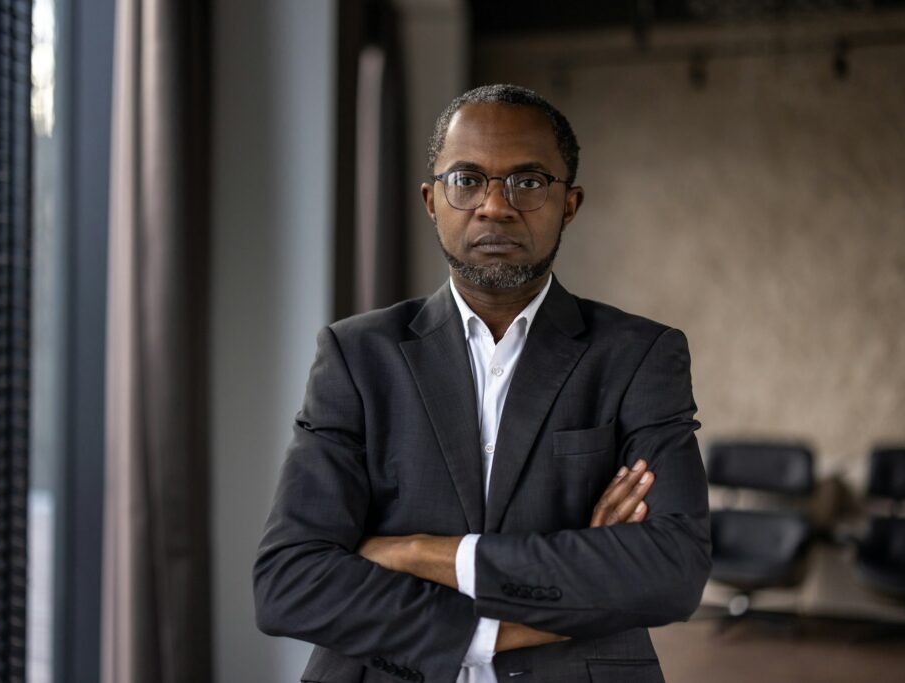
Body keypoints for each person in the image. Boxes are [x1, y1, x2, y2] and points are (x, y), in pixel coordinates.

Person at [254, 84, 710, 683]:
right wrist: (539, 609)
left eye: (527, 182)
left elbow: (672, 570)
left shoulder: (639, 356)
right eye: (467, 180)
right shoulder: (357, 356)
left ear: (569, 204)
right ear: (430, 200)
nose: (495, 206)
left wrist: (419, 553)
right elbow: (289, 582)